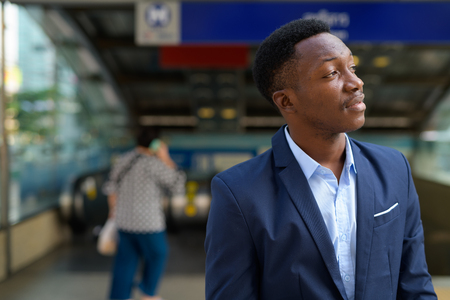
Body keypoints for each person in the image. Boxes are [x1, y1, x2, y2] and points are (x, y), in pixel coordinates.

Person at [204, 18, 437, 300]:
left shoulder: (394, 168)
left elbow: (415, 285)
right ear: (287, 101)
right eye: (331, 74)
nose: (356, 82)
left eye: (351, 67)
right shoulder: (239, 192)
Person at [103, 128, 186, 300]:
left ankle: (118, 297)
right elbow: (178, 185)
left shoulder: (123, 160)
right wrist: (166, 158)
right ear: (156, 144)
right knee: (159, 254)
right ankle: (148, 292)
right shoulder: (153, 164)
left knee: (125, 262)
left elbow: (110, 188)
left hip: (123, 221)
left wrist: (114, 213)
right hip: (148, 224)